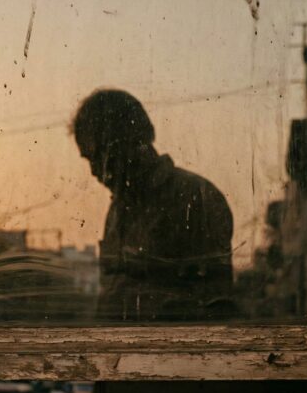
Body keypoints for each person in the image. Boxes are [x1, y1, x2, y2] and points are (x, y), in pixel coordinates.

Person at [72, 89, 235, 321]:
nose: (94, 171)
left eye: (98, 156)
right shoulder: (119, 208)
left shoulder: (195, 196)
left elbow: (216, 308)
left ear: (125, 144)